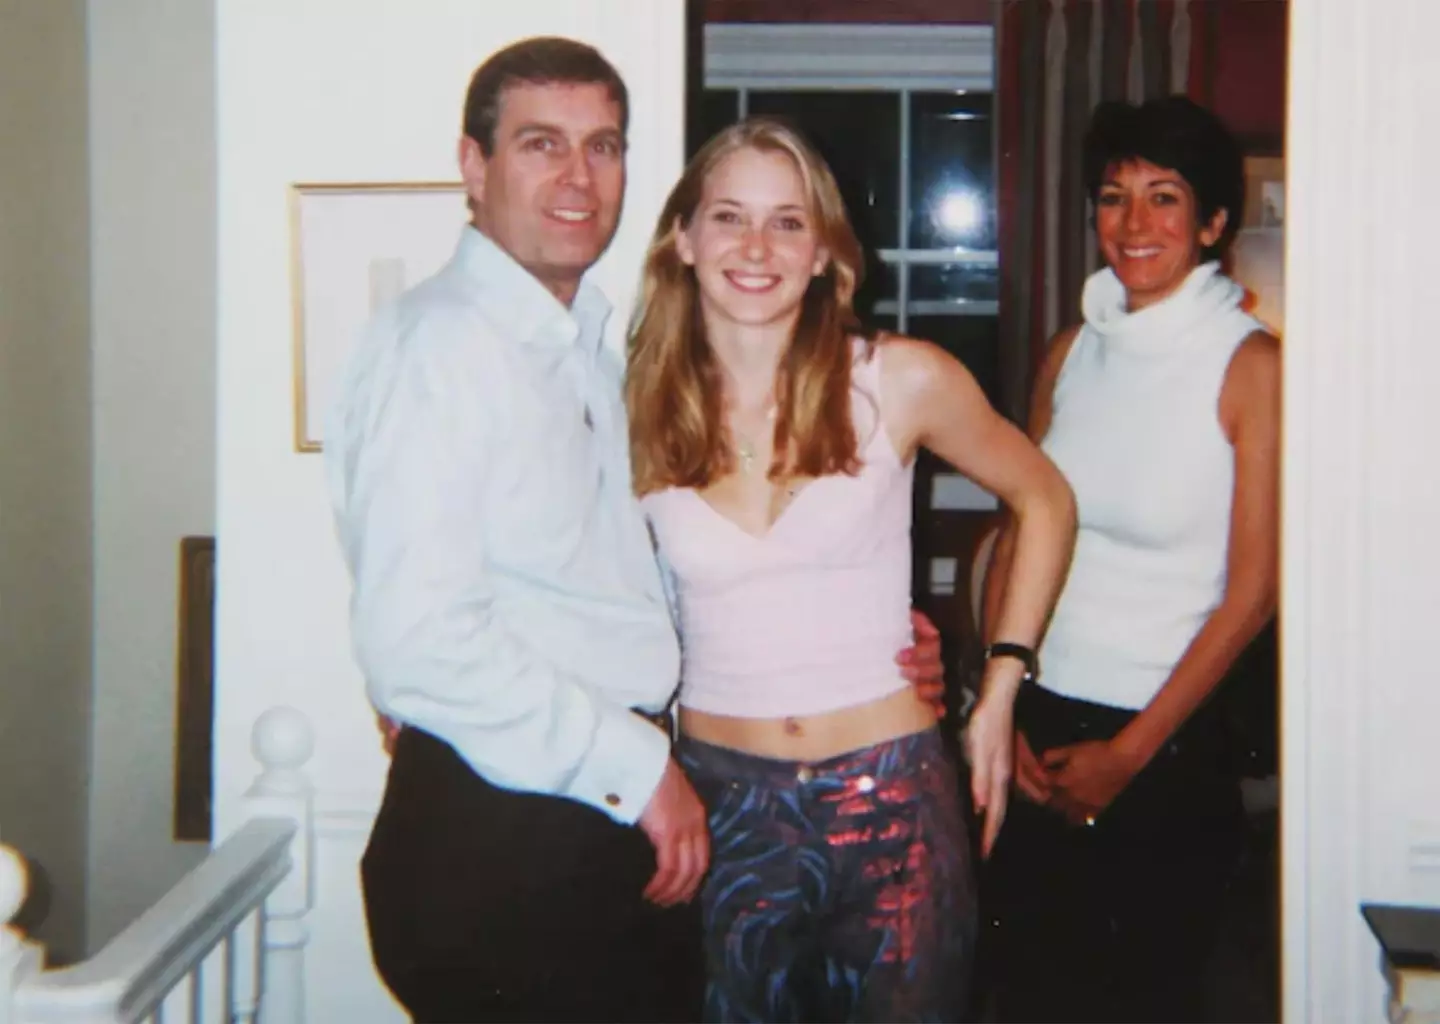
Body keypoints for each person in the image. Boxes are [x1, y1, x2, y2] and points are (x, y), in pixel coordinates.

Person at [325, 37, 948, 1023]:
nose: (579, 177)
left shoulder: (588, 354)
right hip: (510, 831)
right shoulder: (439, 345)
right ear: (473, 165)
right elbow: (415, 639)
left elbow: (622, 582)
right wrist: (640, 769)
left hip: (592, 818)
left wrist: (878, 636)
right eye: (541, 144)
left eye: (604, 146)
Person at [627, 117, 1076, 1023]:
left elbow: (1046, 500)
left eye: (789, 222)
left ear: (828, 252)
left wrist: (998, 690)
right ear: (683, 239)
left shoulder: (898, 380)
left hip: (895, 804)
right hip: (719, 807)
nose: (756, 247)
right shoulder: (631, 403)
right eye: (729, 216)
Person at [980, 95, 1281, 1023]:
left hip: (1166, 744)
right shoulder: (1072, 349)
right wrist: (1000, 704)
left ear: (1213, 223)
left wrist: (1130, 756)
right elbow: (1018, 533)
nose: (1135, 225)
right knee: (1027, 997)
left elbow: (1255, 592)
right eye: (1114, 198)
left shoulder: (1253, 366)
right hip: (1037, 720)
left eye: (1165, 198)